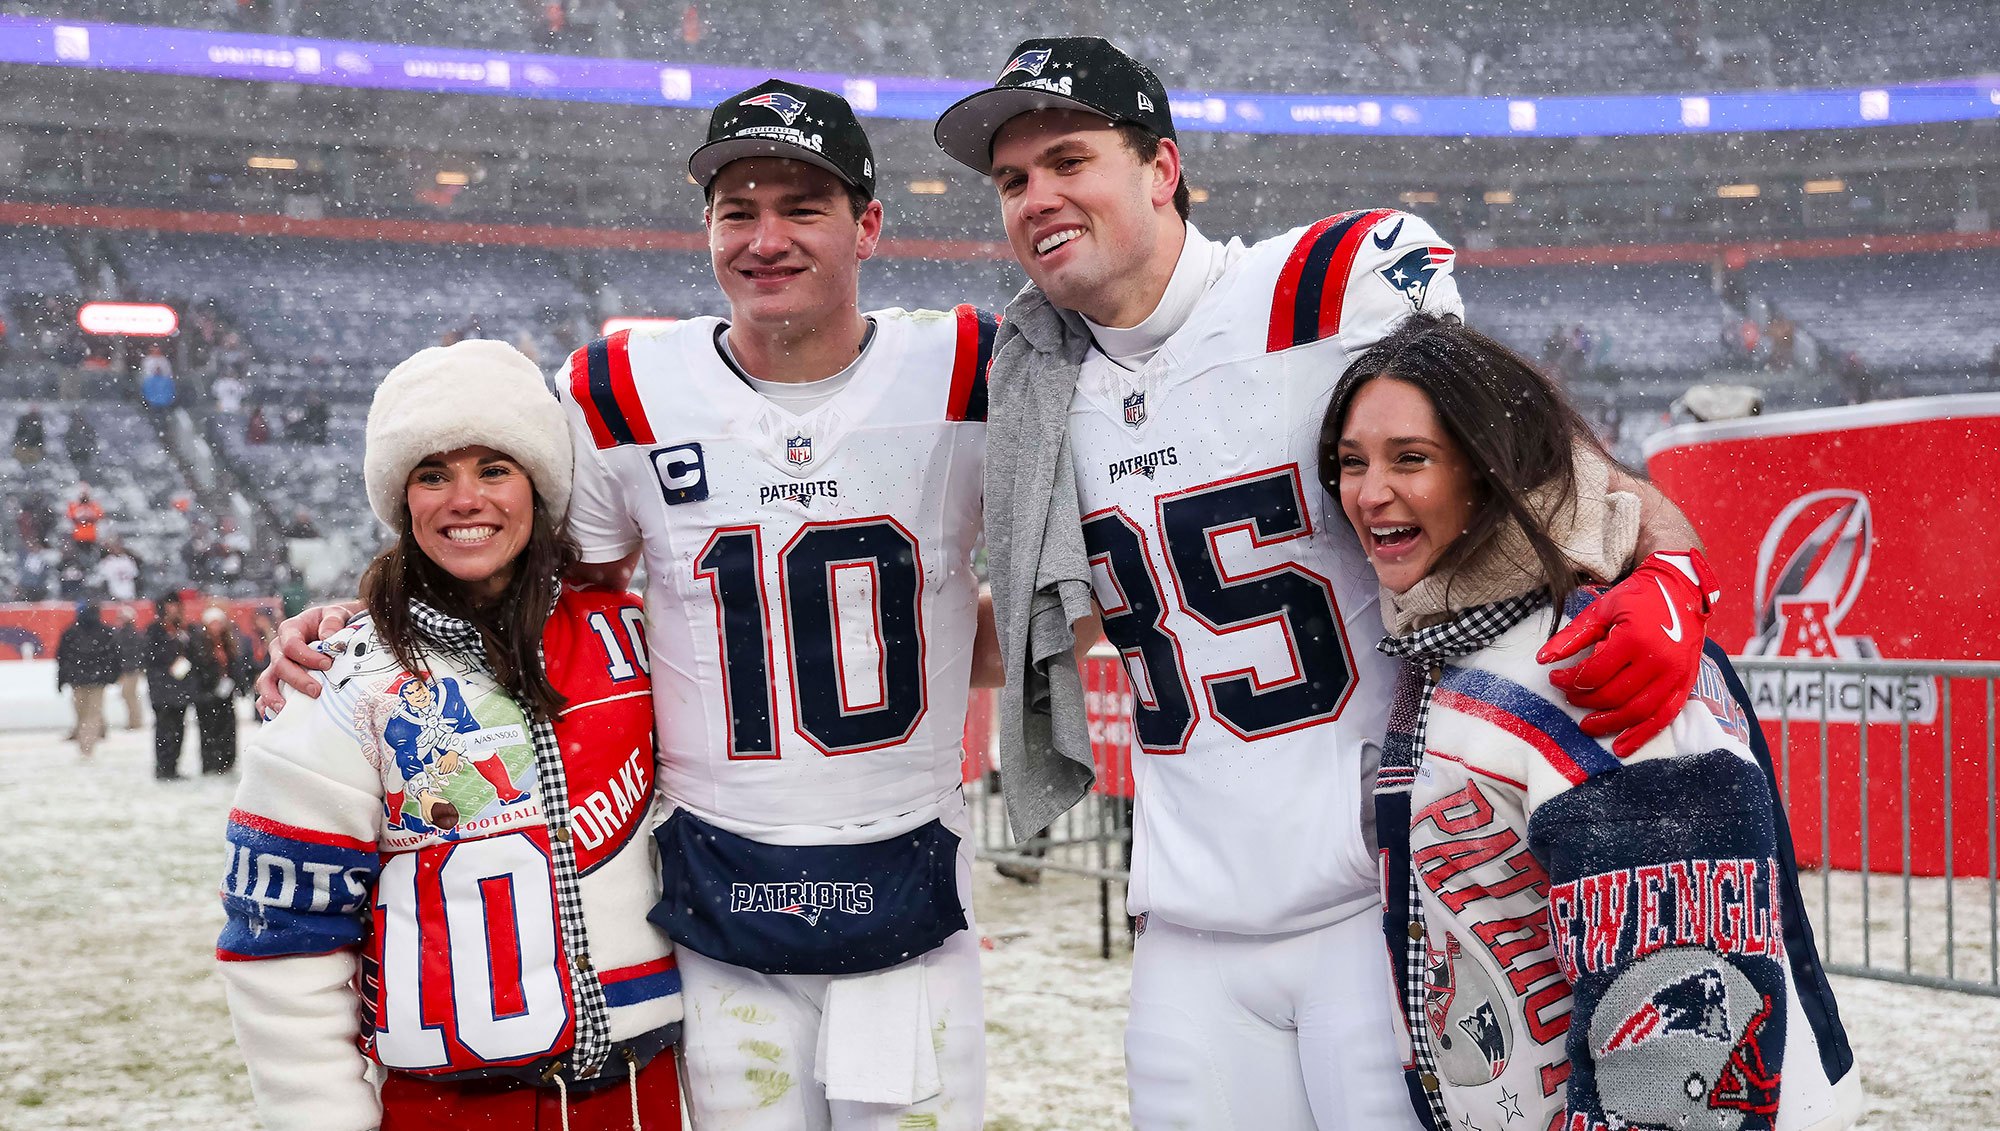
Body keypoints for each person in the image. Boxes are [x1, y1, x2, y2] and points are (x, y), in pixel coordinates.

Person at [935, 37, 1720, 1130]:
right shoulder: (1024, 382)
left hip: (1378, 903)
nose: (1036, 198)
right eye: (1013, 181)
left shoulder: (1325, 287)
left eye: (1067, 160)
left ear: (1160, 168)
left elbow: (1547, 461)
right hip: (1186, 926)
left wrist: (1667, 569)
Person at [260, 80, 999, 1131]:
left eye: (801, 206)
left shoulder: (966, 367)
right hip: (718, 879)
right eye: (737, 210)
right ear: (703, 227)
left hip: (906, 863)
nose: (765, 237)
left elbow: (1036, 595)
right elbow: (542, 597)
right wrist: (370, 614)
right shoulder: (619, 390)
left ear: (867, 224)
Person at [1322, 313, 1860, 1131]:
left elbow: (1684, 1053)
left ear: (1490, 471)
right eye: (1351, 462)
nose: (1368, 491)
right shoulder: (1453, 637)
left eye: (1412, 458)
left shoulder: (1596, 656)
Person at [218, 339, 683, 1131]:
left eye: (494, 469)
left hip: (648, 1097)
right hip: (451, 1109)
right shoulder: (340, 680)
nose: (465, 498)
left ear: (539, 486)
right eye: (433, 474)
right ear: (402, 500)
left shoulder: (635, 641)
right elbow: (282, 942)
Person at [55, 599, 120, 759]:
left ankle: (85, 745)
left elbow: (62, 658)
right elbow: (114, 656)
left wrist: (61, 679)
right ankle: (87, 745)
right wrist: (111, 676)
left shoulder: (70, 632)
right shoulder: (105, 631)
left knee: (83, 713)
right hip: (96, 679)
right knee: (93, 713)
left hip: (78, 680)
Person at [143, 591, 197, 779]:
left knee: (179, 729)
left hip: (180, 689)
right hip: (162, 689)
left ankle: (173, 766)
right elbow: (150, 657)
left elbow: (194, 654)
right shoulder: (154, 631)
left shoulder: (185, 630)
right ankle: (163, 767)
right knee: (164, 729)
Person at [190, 605, 249, 774]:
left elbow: (235, 666)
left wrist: (238, 684)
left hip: (226, 693)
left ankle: (226, 762)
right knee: (208, 730)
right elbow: (198, 669)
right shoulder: (199, 644)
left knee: (228, 728)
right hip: (207, 694)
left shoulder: (229, 643)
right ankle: (210, 763)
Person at [112, 604, 146, 730]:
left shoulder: (128, 634)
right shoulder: (132, 633)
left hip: (131, 669)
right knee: (129, 694)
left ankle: (135, 721)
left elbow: (133, 653)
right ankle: (135, 721)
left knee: (128, 694)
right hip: (130, 668)